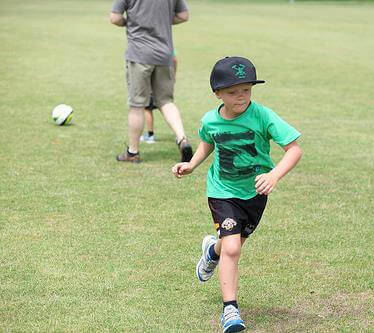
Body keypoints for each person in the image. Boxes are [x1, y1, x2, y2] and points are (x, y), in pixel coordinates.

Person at [171, 56, 303, 332]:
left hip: (255, 194)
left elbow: (294, 149)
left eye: (246, 90)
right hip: (222, 191)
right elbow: (208, 142)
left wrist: (273, 175)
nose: (241, 97)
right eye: (232, 92)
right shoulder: (210, 120)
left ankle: (211, 250)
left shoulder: (263, 116)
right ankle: (230, 310)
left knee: (230, 246)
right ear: (217, 93)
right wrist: (192, 165)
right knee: (232, 248)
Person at [110, 0, 193, 163]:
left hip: (139, 55)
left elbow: (114, 18)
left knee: (137, 105)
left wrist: (131, 22)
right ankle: (182, 139)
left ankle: (132, 153)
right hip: (164, 54)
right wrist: (161, 21)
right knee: (166, 101)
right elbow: (183, 16)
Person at [140, 52, 178, 144]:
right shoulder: (167, 45)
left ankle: (150, 135)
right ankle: (180, 136)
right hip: (164, 79)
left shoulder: (149, 45)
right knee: (166, 106)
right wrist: (174, 75)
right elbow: (175, 60)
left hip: (151, 81)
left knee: (147, 108)